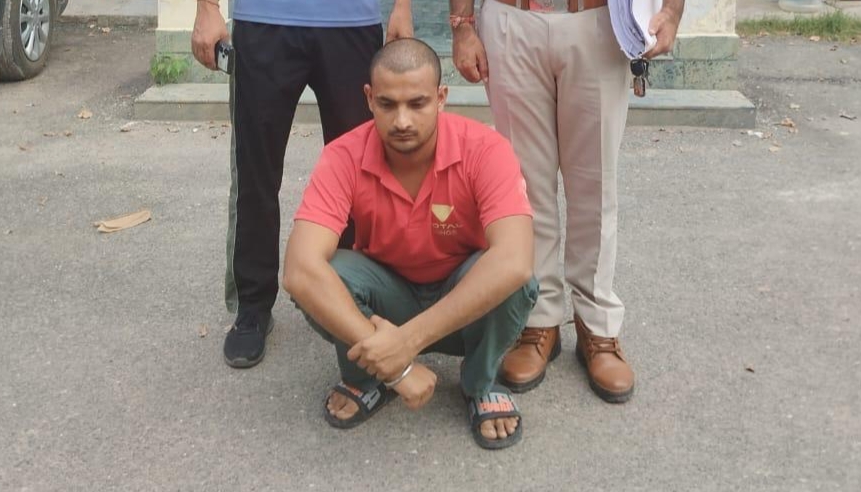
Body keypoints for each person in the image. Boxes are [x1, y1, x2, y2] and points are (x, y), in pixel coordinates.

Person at [283, 38, 538, 449]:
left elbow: (515, 259)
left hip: (462, 298)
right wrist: (398, 369)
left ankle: (480, 382)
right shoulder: (343, 155)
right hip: (387, 300)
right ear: (369, 99)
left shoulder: (486, 149)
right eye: (387, 104)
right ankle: (368, 377)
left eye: (417, 104)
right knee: (327, 273)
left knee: (514, 280)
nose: (402, 120)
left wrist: (406, 344)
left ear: (441, 98)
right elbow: (299, 270)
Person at [449, 0, 684, 403]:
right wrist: (462, 24)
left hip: (597, 20)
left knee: (595, 185)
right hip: (511, 19)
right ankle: (536, 319)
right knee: (525, 186)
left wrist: (673, 12)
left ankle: (598, 325)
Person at [190, 0, 414, 368]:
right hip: (263, 19)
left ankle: (355, 296)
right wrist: (208, 8)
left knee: (363, 173)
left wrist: (403, 6)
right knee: (254, 172)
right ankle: (253, 305)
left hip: (352, 21)